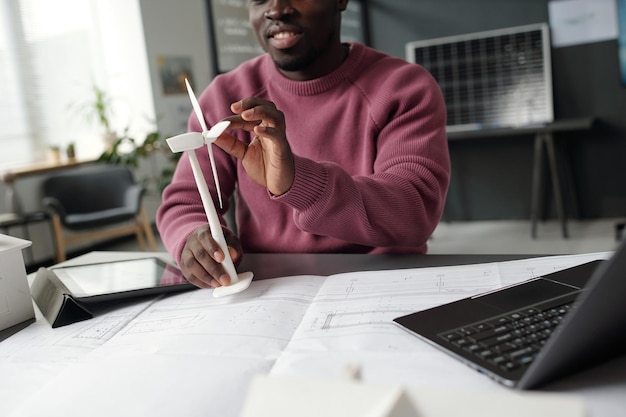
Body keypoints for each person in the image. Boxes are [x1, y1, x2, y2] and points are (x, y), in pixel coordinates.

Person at [156, 0, 451, 289]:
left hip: (383, 282)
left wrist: (296, 181)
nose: (276, 9)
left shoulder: (403, 88)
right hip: (271, 288)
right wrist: (195, 238)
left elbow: (415, 212)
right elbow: (185, 202)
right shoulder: (226, 97)